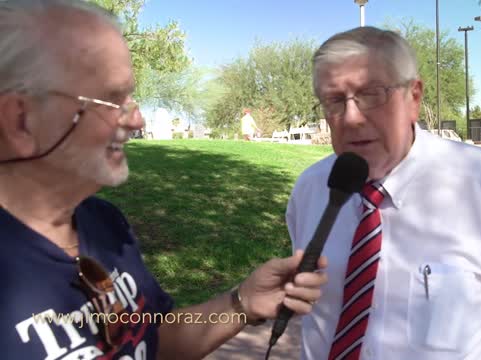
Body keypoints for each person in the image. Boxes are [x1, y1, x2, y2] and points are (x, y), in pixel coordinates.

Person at [0, 1, 327, 359]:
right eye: (112, 99)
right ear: (21, 120)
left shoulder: (106, 224)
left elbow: (152, 338)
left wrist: (240, 303)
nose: (137, 120)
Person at [286, 26, 481, 359]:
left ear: (413, 97)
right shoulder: (310, 190)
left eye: (372, 93)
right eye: (335, 101)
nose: (352, 117)